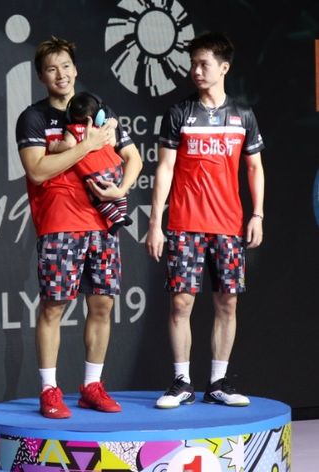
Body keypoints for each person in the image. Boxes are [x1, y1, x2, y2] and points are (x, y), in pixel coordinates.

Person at [15, 36, 143, 418]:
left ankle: (91, 385)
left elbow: (132, 157)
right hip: (58, 223)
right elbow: (37, 170)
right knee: (54, 307)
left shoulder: (97, 108)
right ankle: (49, 390)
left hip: (102, 224)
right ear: (42, 76)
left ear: (76, 70)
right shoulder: (34, 118)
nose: (61, 74)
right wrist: (86, 147)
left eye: (66, 66)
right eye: (52, 68)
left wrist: (120, 188)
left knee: (102, 304)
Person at [146, 32, 265, 409]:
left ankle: (218, 382)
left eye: (204, 64)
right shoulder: (180, 113)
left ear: (224, 68)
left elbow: (255, 168)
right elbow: (164, 169)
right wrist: (154, 223)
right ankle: (181, 382)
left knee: (227, 303)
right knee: (181, 304)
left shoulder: (243, 115)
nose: (196, 71)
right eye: (193, 64)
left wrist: (257, 214)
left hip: (228, 226)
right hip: (184, 224)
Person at [51, 92, 132, 234]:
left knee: (97, 199)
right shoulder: (103, 128)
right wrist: (111, 126)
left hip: (96, 174)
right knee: (119, 190)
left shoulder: (73, 130)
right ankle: (123, 213)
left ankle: (117, 219)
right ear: (99, 114)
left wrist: (55, 147)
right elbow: (113, 142)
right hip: (116, 168)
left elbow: (69, 145)